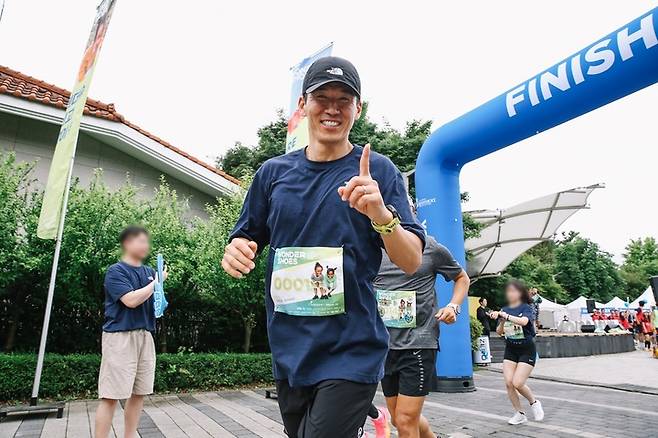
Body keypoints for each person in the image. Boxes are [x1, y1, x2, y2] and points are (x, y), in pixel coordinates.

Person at [221, 56, 425, 438]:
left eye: (344, 100)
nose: (332, 108)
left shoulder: (378, 172)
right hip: (290, 349)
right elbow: (245, 234)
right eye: (322, 98)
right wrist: (236, 249)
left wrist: (381, 215)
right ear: (303, 105)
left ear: (357, 109)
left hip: (352, 348)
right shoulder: (272, 174)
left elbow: (411, 259)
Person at [368, 234, 470, 438]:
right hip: (385, 346)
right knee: (399, 419)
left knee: (406, 420)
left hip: (419, 342)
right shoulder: (370, 246)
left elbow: (462, 278)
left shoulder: (428, 246)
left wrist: (453, 307)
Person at [95, 226, 167, 438]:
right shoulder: (116, 271)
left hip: (145, 336)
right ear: (127, 243)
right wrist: (157, 284)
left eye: (147, 242)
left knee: (139, 393)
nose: (146, 246)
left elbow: (157, 304)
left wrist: (159, 291)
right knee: (110, 396)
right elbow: (130, 300)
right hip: (120, 336)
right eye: (140, 241)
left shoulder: (149, 273)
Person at [489, 280, 544, 425]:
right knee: (508, 383)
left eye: (514, 291)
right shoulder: (505, 308)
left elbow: (524, 322)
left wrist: (505, 316)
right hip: (511, 349)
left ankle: (534, 402)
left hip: (527, 349)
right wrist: (501, 321)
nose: (511, 294)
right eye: (509, 291)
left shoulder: (526, 307)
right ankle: (520, 414)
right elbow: (499, 332)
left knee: (518, 382)